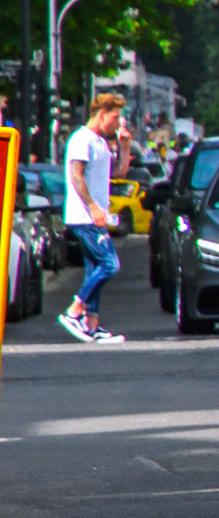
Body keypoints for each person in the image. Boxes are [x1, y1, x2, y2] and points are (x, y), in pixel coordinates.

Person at [58, 92, 128, 344]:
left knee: (94, 269)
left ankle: (92, 324)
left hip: (96, 216)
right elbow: (77, 176)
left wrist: (126, 145)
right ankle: (74, 311)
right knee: (110, 264)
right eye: (116, 117)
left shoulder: (100, 141)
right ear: (102, 114)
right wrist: (93, 207)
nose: (118, 123)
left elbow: (118, 171)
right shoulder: (81, 139)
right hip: (85, 217)